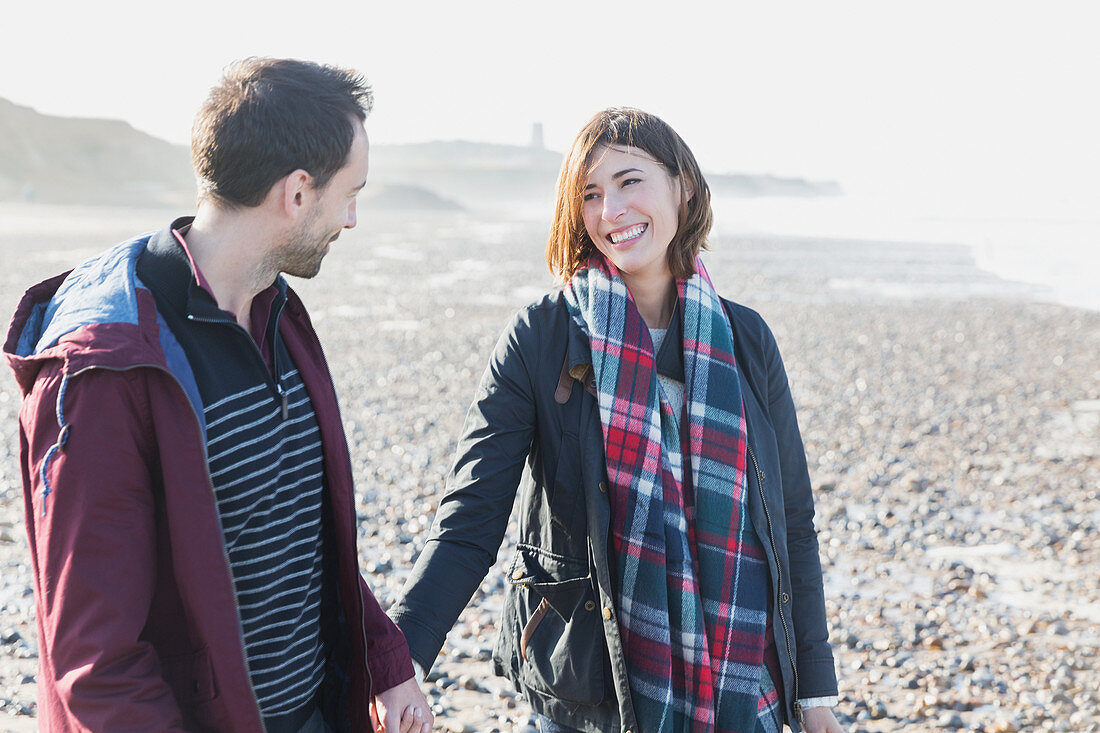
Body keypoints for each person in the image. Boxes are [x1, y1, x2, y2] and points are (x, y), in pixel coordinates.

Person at [4, 58, 432, 733]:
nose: (350, 219)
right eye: (349, 194)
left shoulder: (277, 312)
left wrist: (385, 658)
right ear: (296, 192)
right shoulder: (105, 371)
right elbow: (98, 664)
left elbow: (303, 527)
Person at [390, 108, 843, 732]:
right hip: (591, 691)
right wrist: (402, 656)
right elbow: (473, 513)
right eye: (591, 195)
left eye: (630, 182)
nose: (611, 212)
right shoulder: (542, 336)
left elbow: (792, 521)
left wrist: (813, 690)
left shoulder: (745, 339)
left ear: (681, 183)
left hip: (743, 681)